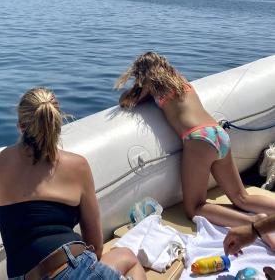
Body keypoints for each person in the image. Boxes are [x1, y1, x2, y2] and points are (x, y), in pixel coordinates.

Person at [0, 87, 146, 280]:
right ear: (57, 123)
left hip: (24, 276)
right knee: (128, 257)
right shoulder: (77, 166)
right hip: (73, 266)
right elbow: (96, 246)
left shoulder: (2, 161)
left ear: (21, 126)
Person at [116, 52, 275, 249]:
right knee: (242, 197)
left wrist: (138, 86)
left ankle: (254, 223)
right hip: (218, 133)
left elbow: (125, 101)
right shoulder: (181, 81)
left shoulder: (150, 85)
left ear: (142, 73)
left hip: (198, 138)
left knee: (194, 208)